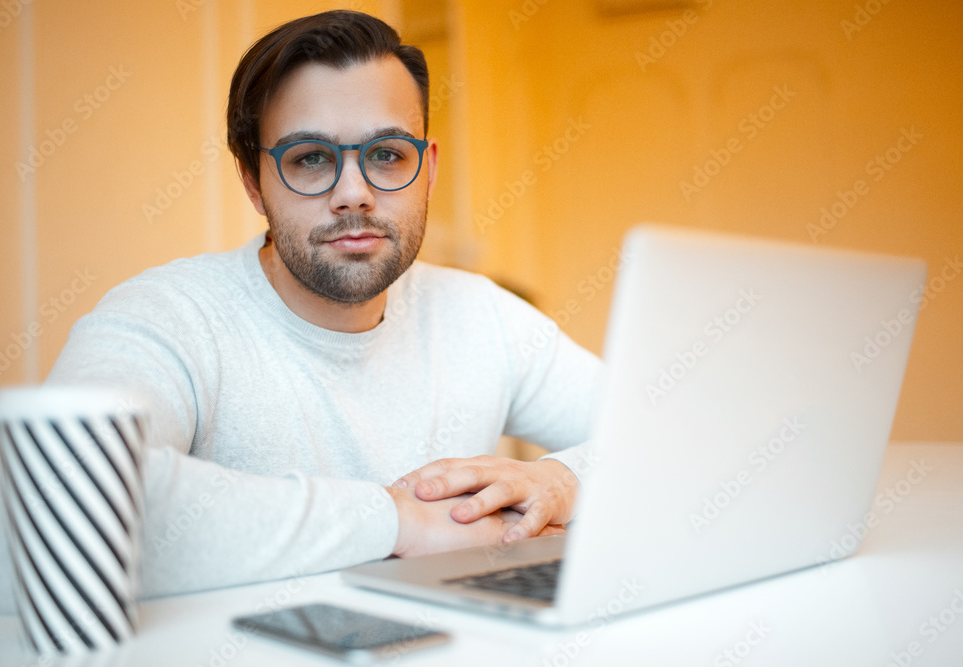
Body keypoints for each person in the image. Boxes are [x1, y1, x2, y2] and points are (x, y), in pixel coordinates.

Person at [42, 9, 603, 597]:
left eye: (387, 154)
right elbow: (63, 497)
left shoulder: (480, 315)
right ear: (253, 182)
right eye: (310, 158)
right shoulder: (166, 316)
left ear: (428, 169)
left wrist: (565, 479)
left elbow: (677, 432)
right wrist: (399, 522)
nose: (354, 194)